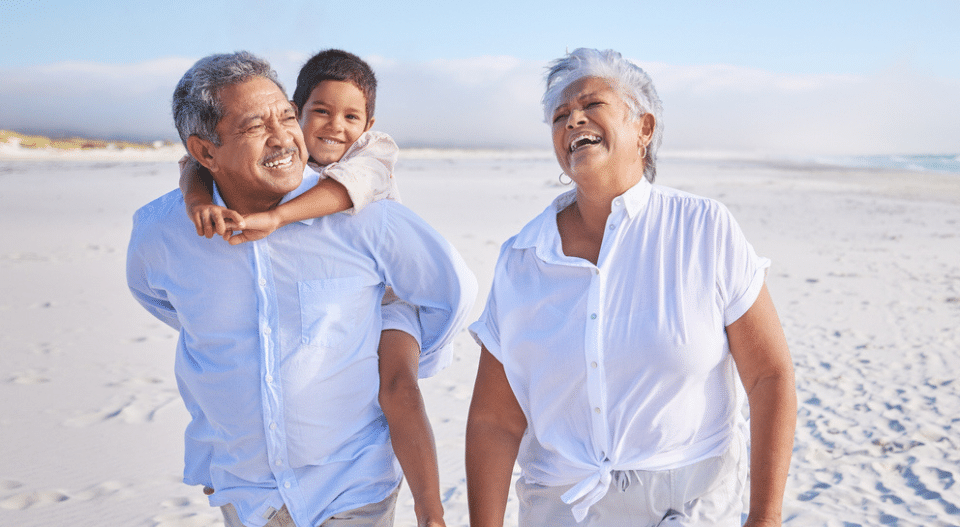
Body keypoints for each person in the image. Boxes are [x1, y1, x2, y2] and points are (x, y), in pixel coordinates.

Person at [126, 52, 476, 527]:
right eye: (256, 126)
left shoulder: (365, 212)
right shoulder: (162, 233)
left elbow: (452, 294)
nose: (283, 137)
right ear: (206, 152)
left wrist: (398, 340)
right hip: (247, 497)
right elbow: (165, 303)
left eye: (286, 118)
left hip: (352, 486)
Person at [465, 48, 797, 526]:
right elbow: (494, 421)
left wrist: (766, 516)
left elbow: (770, 376)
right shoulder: (522, 259)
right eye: (560, 116)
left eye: (591, 105)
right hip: (562, 509)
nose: (573, 119)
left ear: (644, 128)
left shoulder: (704, 229)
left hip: (688, 505)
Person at [179, 48, 401, 244]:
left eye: (351, 117)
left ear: (367, 126)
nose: (335, 126)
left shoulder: (373, 151)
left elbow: (347, 187)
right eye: (322, 112)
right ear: (297, 113)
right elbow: (196, 164)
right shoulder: (293, 150)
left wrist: (277, 217)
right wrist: (197, 203)